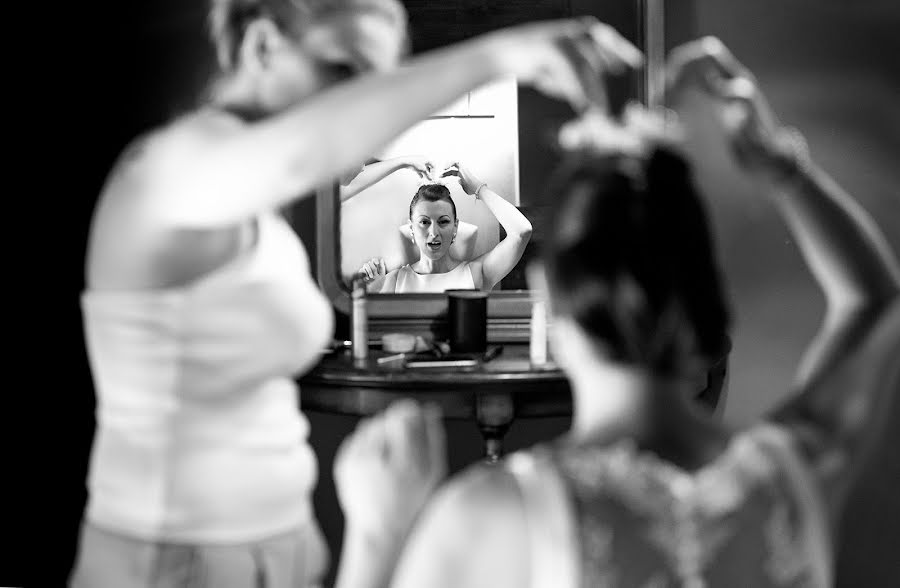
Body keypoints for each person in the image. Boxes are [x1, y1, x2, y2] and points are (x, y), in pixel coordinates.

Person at [70, 0, 644, 584]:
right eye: (344, 73)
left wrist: (374, 529)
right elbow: (304, 154)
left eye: (374, 87)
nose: (362, 109)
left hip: (281, 549)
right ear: (262, 46)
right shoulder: (165, 170)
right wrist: (503, 56)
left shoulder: (258, 223)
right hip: (169, 561)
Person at [333, 37, 900, 588]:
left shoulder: (491, 516)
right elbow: (874, 302)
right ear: (703, 285)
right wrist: (782, 168)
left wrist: (376, 535)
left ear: (547, 297)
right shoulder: (796, 475)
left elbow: (876, 304)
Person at [359, 162, 532, 292]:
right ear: (411, 228)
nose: (433, 233)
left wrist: (478, 188)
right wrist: (373, 289)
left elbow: (522, 231)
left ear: (455, 227)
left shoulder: (477, 274)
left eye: (443, 222)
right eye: (424, 222)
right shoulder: (393, 281)